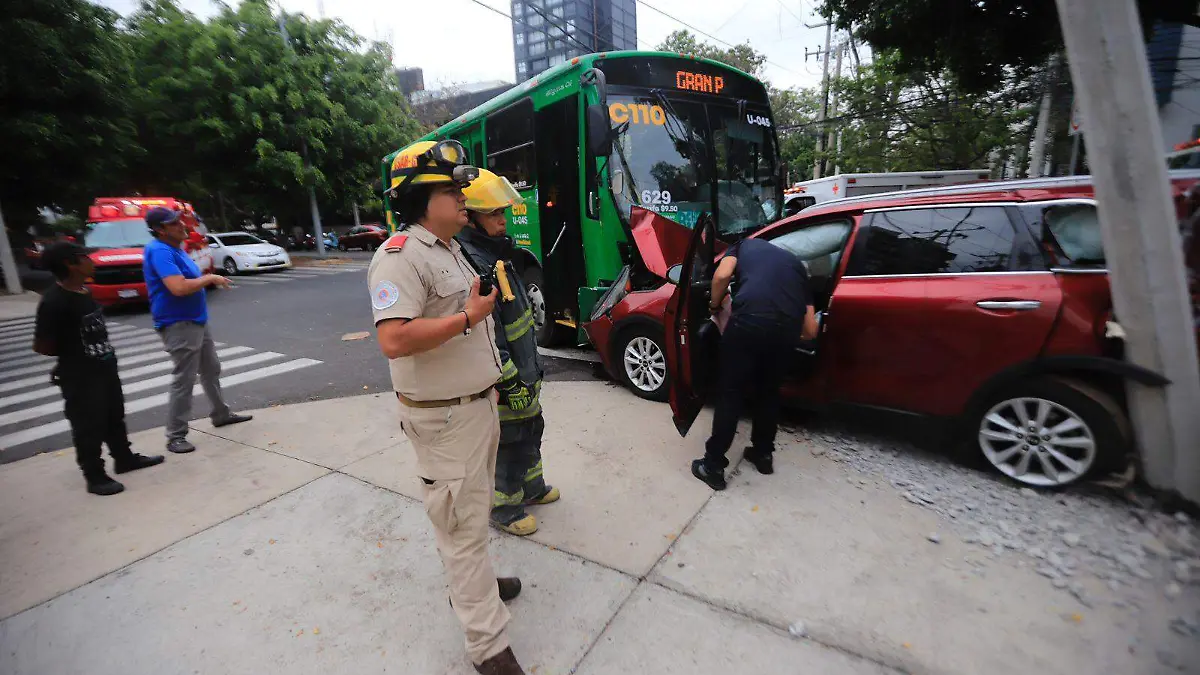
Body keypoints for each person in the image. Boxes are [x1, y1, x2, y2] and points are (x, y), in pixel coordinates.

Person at [369, 140, 527, 675]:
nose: (465, 198)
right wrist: (467, 318)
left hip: (475, 406)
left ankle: (473, 589)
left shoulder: (449, 248)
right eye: (452, 189)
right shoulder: (399, 257)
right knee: (460, 528)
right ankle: (488, 647)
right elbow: (394, 339)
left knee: (470, 514)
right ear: (419, 197)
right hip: (444, 418)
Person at [457, 170, 559, 537]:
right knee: (508, 444)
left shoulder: (500, 254)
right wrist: (510, 379)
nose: (504, 220)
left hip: (525, 373)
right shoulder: (476, 264)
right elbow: (488, 334)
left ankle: (532, 488)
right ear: (471, 217)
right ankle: (504, 507)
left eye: (504, 212)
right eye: (494, 214)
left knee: (532, 430)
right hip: (507, 379)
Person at [33, 243, 164, 495]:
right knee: (87, 426)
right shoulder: (54, 301)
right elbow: (43, 345)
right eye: (85, 257)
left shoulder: (84, 292)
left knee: (114, 416)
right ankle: (95, 476)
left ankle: (124, 458)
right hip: (80, 375)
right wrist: (72, 357)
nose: (91, 260)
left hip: (104, 366)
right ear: (71, 264)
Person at [690, 238, 820, 491]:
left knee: (730, 393)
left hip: (750, 320)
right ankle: (763, 456)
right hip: (787, 331)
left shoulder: (741, 246)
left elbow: (721, 276)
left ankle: (713, 465)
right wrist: (781, 331)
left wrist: (715, 305)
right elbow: (811, 330)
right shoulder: (796, 266)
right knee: (768, 392)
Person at [142, 206, 251, 454]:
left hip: (195, 319)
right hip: (178, 323)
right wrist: (210, 278)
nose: (182, 226)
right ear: (160, 230)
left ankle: (221, 414)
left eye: (181, 222)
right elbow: (178, 288)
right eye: (174, 224)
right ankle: (175, 435)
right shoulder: (159, 251)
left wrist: (207, 279)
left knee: (211, 369)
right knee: (185, 379)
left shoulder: (175, 249)